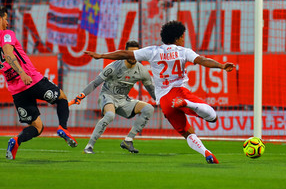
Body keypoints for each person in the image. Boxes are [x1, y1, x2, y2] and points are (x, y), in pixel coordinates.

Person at [85, 21, 235, 164]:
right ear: (177, 38)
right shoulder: (183, 51)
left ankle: (206, 152)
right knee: (213, 117)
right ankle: (188, 103)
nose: (184, 39)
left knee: (187, 132)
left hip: (164, 101)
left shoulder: (152, 51)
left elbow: (124, 54)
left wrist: (102, 55)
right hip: (179, 93)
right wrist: (221, 66)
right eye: (183, 36)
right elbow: (202, 60)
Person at [0, 6, 77, 160]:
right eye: (6, 18)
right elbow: (8, 52)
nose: (8, 23)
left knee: (37, 127)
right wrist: (22, 73)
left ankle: (16, 141)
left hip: (16, 91)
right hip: (31, 80)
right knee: (61, 97)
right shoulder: (6, 34)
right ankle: (63, 127)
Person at [70, 40, 155, 154]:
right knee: (110, 115)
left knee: (149, 108)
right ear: (125, 53)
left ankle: (128, 140)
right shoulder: (114, 67)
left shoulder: (142, 71)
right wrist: (81, 95)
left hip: (123, 100)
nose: (132, 56)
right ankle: (89, 146)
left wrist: (162, 102)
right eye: (129, 53)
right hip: (107, 96)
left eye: (135, 54)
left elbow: (151, 90)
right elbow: (95, 83)